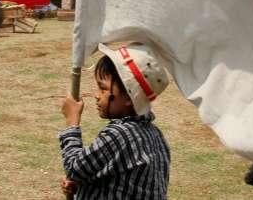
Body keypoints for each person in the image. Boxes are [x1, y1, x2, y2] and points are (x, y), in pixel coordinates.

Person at [59, 42, 171, 199]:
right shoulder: (156, 135)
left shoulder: (121, 135)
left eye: (103, 88)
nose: (97, 95)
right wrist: (82, 184)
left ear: (129, 97)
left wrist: (72, 121)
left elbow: (73, 168)